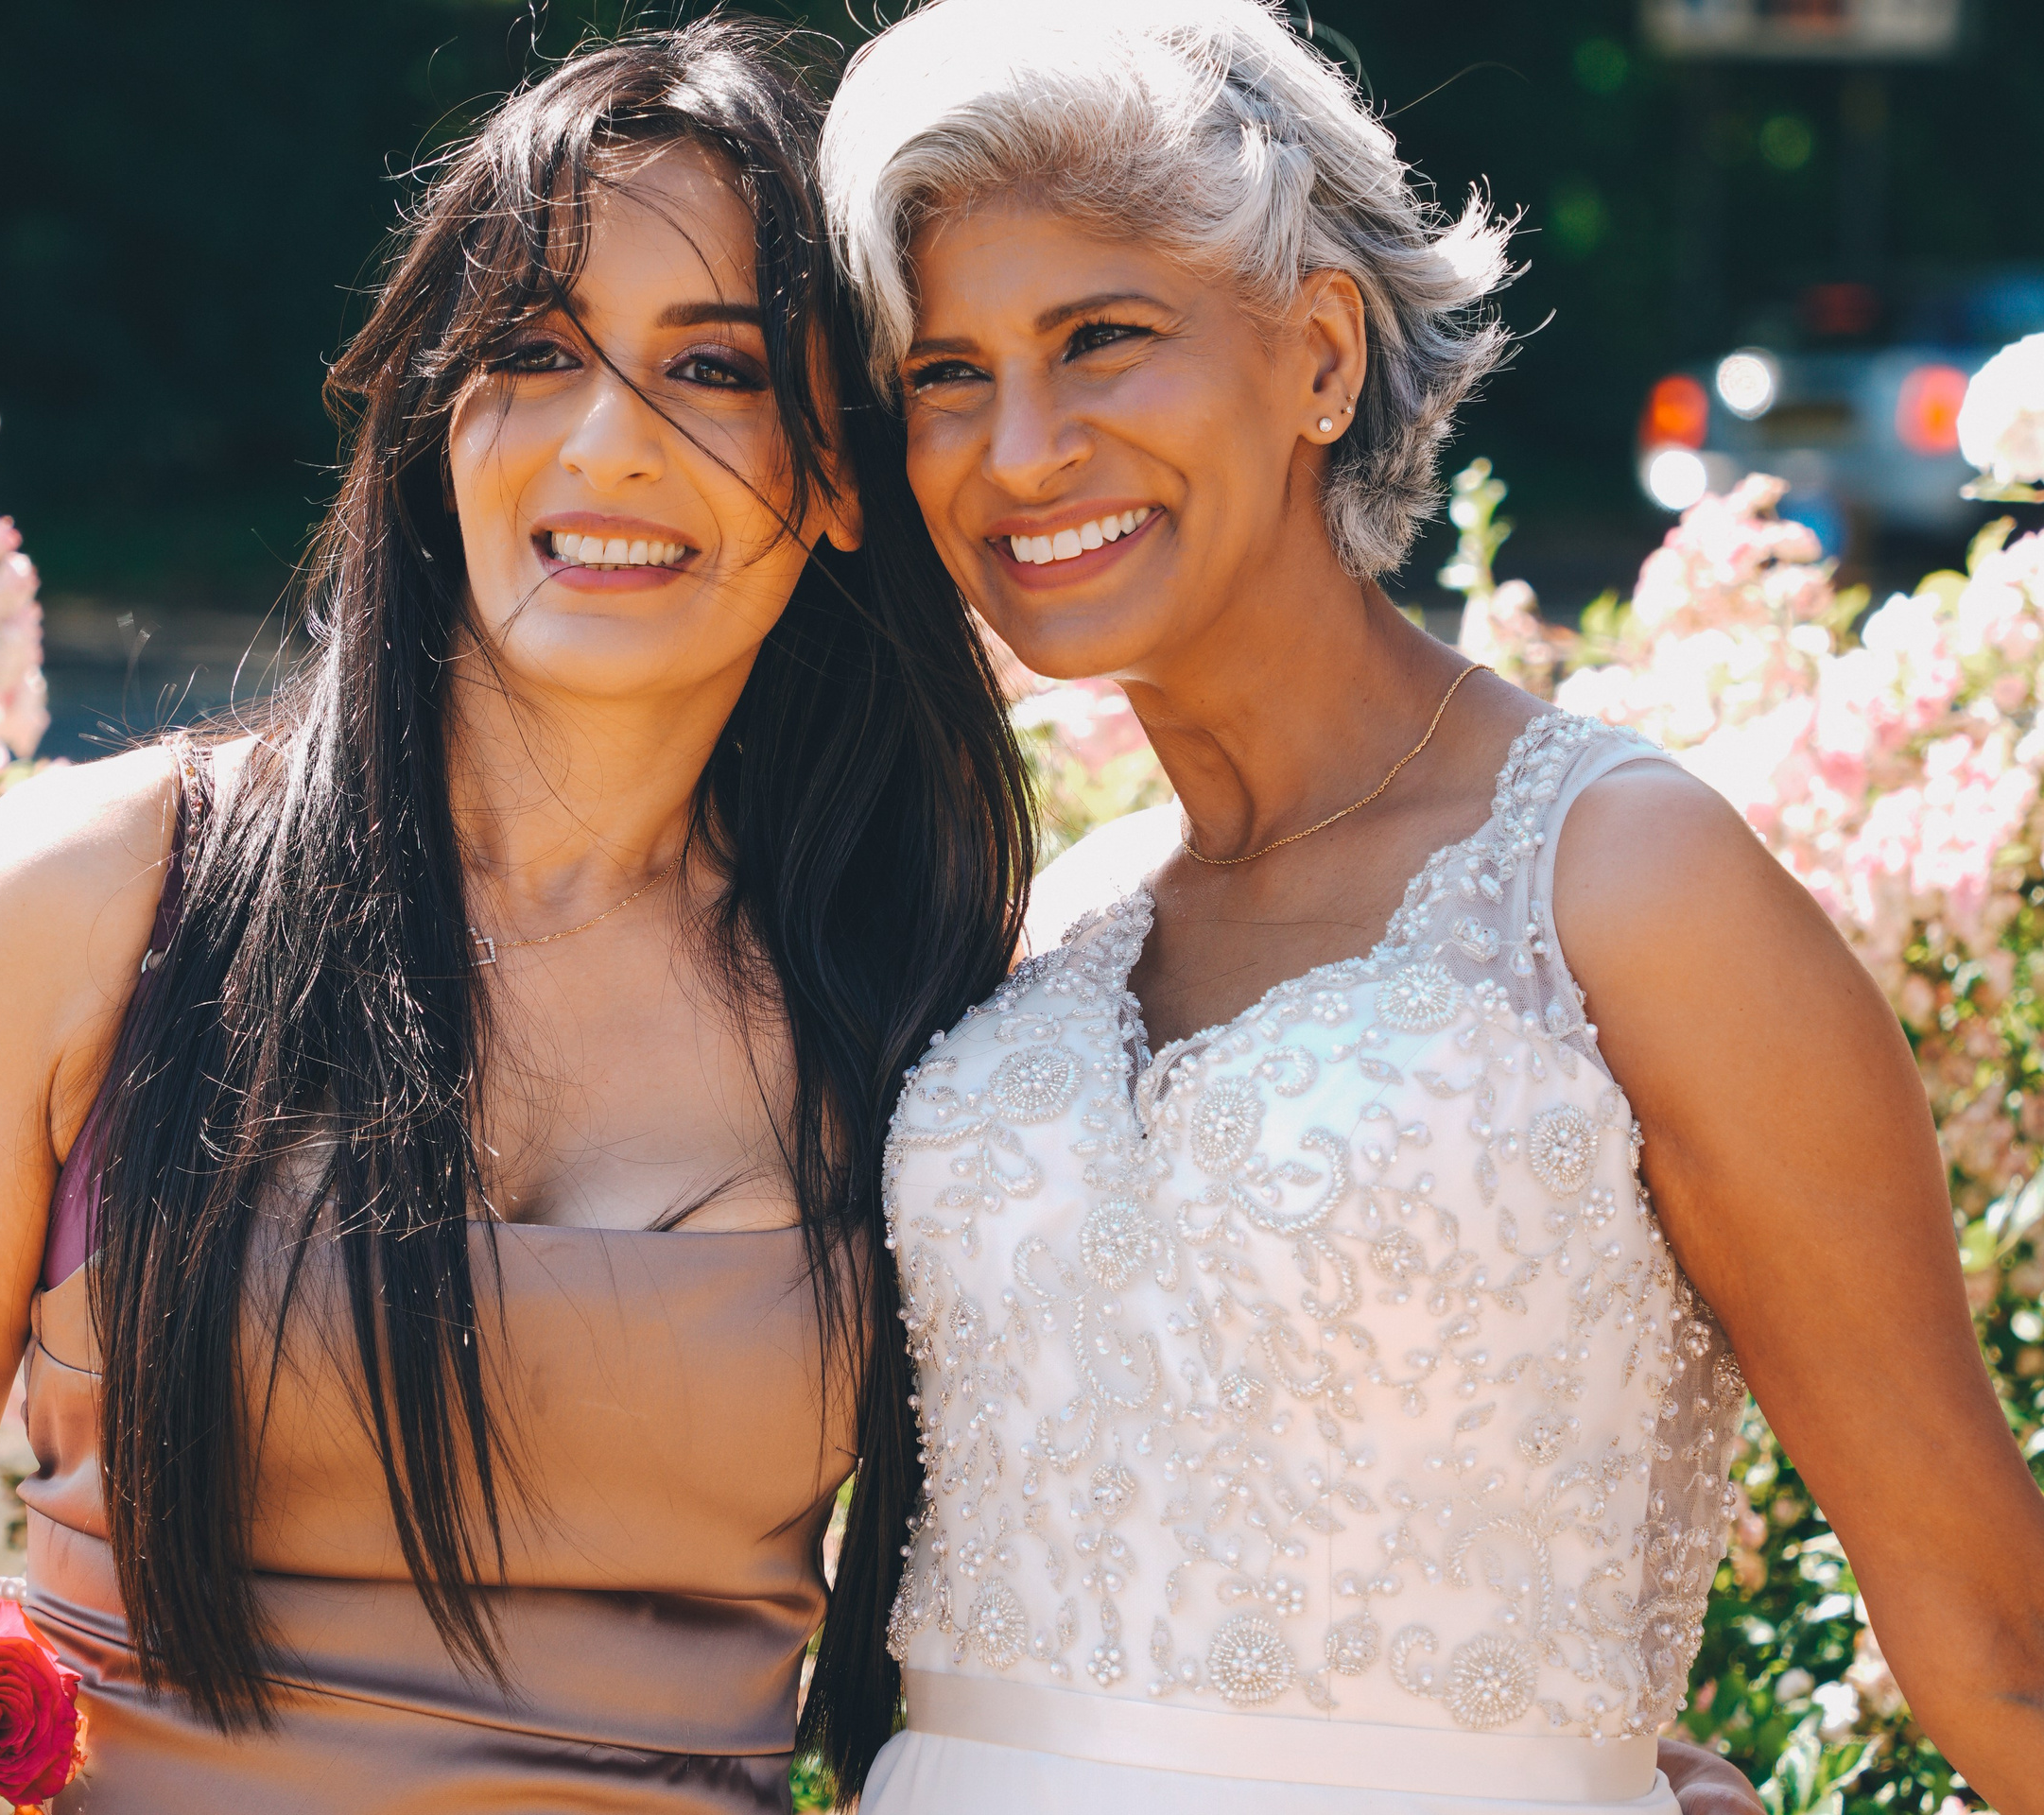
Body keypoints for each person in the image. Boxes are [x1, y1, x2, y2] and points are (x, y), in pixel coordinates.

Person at [818, 3, 2044, 1812]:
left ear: (1318, 354)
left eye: (1103, 340)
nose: (1019, 449)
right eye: (945, 373)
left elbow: (1999, 1647)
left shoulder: (1631, 881)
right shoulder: (1048, 927)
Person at [0, 22, 1030, 1811]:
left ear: (844, 476)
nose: (608, 441)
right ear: (440, 425)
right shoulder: (86, 901)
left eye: (716, 366)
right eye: (534, 351)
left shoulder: (920, 996)